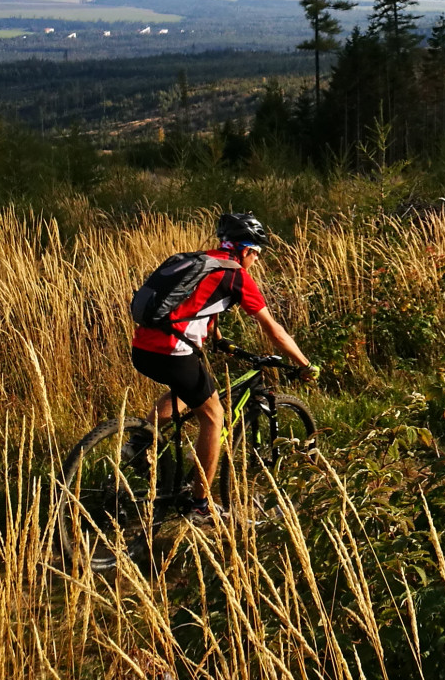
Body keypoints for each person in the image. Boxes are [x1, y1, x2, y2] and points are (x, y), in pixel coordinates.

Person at [130, 211, 312, 521]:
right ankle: (200, 505)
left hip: (143, 348)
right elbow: (274, 330)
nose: (257, 260)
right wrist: (305, 364)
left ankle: (139, 441)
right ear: (246, 250)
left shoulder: (202, 261)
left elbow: (198, 304)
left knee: (185, 392)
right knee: (214, 417)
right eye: (257, 254)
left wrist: (218, 337)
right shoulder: (236, 275)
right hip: (174, 352)